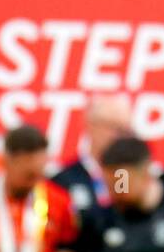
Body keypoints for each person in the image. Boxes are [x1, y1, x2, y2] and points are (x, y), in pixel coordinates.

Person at [52, 95, 132, 226]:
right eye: (114, 128)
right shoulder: (63, 180)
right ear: (90, 126)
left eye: (125, 130)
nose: (120, 137)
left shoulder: (128, 178)